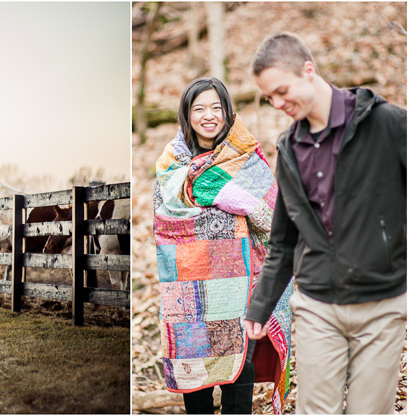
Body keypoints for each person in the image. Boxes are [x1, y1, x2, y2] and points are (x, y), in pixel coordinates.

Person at [245, 32, 406, 414]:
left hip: (381, 305)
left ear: (308, 70)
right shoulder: (289, 149)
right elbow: (283, 241)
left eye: (282, 91)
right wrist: (260, 306)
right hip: (316, 305)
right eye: (270, 98)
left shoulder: (387, 123)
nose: (278, 103)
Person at [153, 78, 293, 414]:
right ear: (187, 116)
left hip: (238, 280)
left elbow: (270, 216)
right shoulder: (171, 164)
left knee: (239, 360)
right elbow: (166, 221)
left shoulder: (247, 160)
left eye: (216, 107)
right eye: (199, 108)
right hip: (188, 281)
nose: (209, 115)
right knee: (193, 362)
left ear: (228, 112)